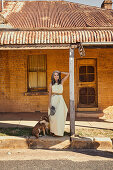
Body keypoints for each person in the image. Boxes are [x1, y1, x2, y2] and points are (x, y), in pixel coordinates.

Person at [48, 70, 69, 137]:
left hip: (60, 100)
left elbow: (68, 74)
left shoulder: (61, 82)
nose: (56, 76)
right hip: (53, 99)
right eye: (55, 75)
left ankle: (58, 133)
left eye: (57, 75)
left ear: (59, 76)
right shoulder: (51, 84)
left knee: (59, 116)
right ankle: (53, 131)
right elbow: (49, 94)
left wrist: (60, 72)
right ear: (53, 76)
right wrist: (49, 103)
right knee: (53, 117)